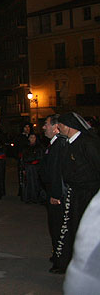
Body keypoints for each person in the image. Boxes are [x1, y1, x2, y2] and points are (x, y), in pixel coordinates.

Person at [52, 112, 100, 273]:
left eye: (60, 125)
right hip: (75, 193)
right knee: (74, 228)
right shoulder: (69, 143)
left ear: (68, 126)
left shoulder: (87, 143)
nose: (57, 127)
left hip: (88, 193)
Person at [40, 114, 68, 267]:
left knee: (58, 227)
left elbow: (58, 172)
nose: (44, 127)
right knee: (54, 226)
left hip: (56, 194)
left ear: (56, 128)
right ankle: (57, 254)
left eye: (46, 124)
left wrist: (56, 194)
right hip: (52, 190)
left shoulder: (59, 145)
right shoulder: (53, 144)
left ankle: (61, 260)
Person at [21, 133, 45, 204]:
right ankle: (28, 197)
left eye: (33, 137)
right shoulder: (26, 147)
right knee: (27, 182)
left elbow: (40, 157)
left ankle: (36, 198)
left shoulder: (39, 147)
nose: (32, 139)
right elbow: (23, 158)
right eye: (31, 137)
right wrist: (23, 168)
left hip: (35, 167)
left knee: (35, 182)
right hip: (28, 167)